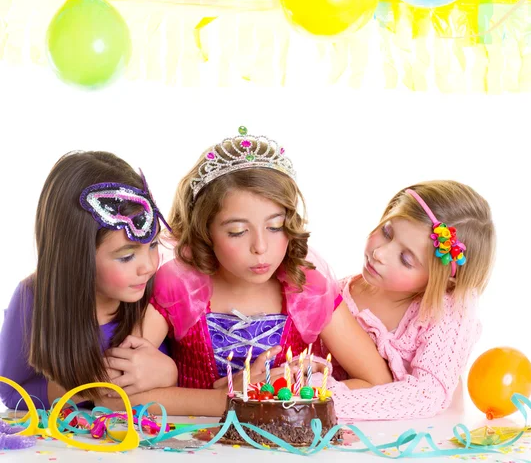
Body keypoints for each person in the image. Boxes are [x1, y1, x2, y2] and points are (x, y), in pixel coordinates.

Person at [142, 126, 393, 397]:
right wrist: (224, 398)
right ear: (205, 231)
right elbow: (119, 394)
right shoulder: (179, 286)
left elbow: (378, 381)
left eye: (275, 227)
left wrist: (300, 387)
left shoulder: (307, 289)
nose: (260, 247)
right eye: (237, 231)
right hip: (190, 438)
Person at [0, 151, 177, 410]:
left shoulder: (158, 293)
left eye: (153, 245)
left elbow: (196, 384)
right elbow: (10, 391)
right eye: (127, 256)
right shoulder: (32, 299)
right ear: (75, 256)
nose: (149, 267)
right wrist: (84, 389)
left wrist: (170, 373)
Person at [314, 181, 495, 420]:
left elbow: (427, 395)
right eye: (387, 232)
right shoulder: (337, 296)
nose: (379, 253)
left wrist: (319, 401)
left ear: (441, 282)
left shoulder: (449, 311)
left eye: (406, 259)